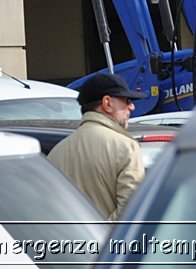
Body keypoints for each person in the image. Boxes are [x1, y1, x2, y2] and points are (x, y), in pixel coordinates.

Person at [46, 72, 146, 222]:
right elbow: (132, 211)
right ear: (107, 103)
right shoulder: (126, 148)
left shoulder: (56, 152)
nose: (131, 106)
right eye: (126, 100)